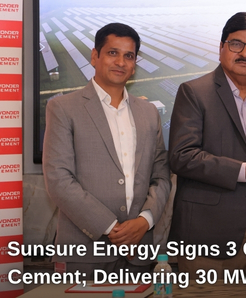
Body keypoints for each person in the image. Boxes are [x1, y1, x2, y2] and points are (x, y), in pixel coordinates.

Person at [43, 23, 171, 276]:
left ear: (134, 64)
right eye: (113, 53)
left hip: (138, 252)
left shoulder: (148, 113)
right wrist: (113, 228)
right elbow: (58, 179)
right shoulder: (63, 108)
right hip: (84, 252)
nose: (121, 62)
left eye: (129, 56)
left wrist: (144, 221)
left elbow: (161, 176)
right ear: (95, 56)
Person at [169, 12, 246, 275]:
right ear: (221, 47)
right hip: (209, 237)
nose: (245, 53)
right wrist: (244, 171)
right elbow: (181, 156)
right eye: (236, 44)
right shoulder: (194, 92)